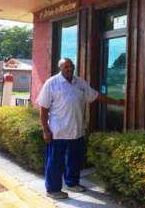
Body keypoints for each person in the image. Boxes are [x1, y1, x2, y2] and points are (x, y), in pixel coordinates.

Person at [36, 58, 120, 199]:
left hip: (77, 131)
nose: (69, 69)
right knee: (56, 161)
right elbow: (43, 109)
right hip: (59, 132)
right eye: (66, 67)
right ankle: (53, 190)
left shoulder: (79, 82)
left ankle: (71, 183)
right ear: (60, 68)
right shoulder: (52, 83)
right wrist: (46, 130)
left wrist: (116, 101)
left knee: (74, 159)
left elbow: (95, 95)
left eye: (71, 66)